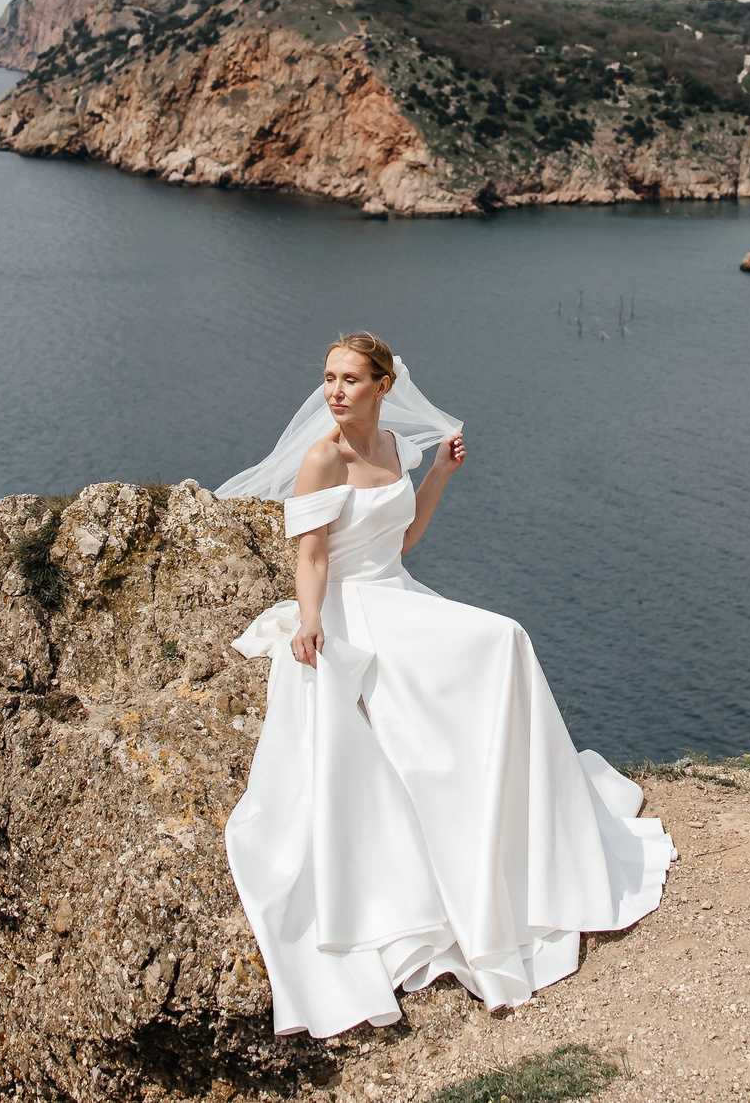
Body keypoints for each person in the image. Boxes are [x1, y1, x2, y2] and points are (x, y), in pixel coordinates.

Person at [218, 332, 671, 1040]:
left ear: (382, 384)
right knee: (499, 641)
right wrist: (309, 622)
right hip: (351, 607)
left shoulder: (394, 445)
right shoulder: (322, 458)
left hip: (397, 590)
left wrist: (439, 478)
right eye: (328, 377)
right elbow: (310, 557)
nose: (334, 390)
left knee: (505, 639)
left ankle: (530, 826)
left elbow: (400, 541)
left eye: (349, 379)